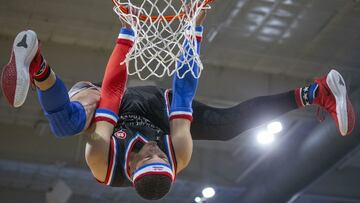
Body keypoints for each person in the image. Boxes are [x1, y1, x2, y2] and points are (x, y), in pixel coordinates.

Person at [0, 8, 355, 200]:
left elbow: (110, 91)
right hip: (157, 106)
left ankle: (37, 65)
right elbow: (184, 89)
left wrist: (127, 35)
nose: (156, 149)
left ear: (133, 165)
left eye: (149, 156)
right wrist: (194, 31)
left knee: (67, 125)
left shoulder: (102, 163)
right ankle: (316, 91)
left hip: (106, 102)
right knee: (227, 126)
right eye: (162, 157)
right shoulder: (177, 154)